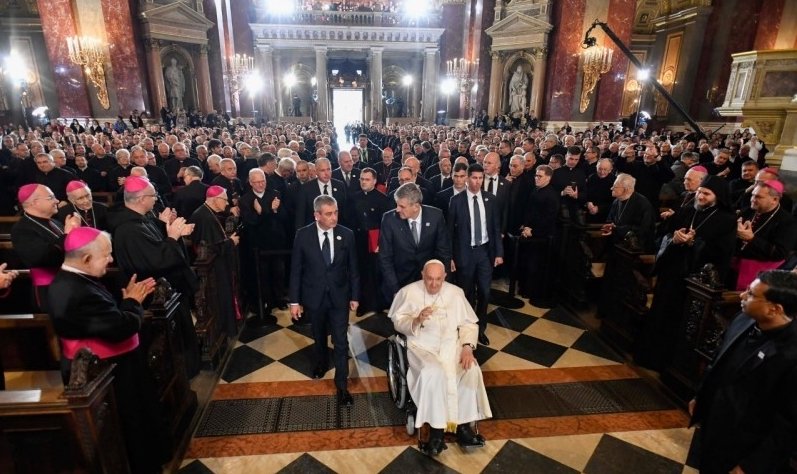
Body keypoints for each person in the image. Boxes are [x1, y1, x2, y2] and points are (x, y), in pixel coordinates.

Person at [48, 227, 170, 473]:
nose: (111, 259)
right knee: (130, 427)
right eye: (106, 255)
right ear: (86, 259)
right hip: (109, 374)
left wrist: (127, 303)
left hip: (110, 368)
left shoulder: (73, 280)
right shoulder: (76, 292)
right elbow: (122, 327)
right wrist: (132, 302)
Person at [689, 270, 797, 473]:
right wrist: (701, 396)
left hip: (743, 447)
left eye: (751, 295)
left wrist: (751, 466)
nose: (741, 296)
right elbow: (718, 361)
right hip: (715, 427)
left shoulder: (791, 355)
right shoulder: (743, 319)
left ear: (774, 309)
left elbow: (788, 425)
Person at [388, 260, 492, 456]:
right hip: (422, 348)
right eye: (429, 279)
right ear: (422, 275)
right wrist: (416, 319)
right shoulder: (408, 292)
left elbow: (470, 324)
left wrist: (468, 347)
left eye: (438, 279)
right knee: (433, 372)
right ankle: (436, 432)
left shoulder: (456, 293)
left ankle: (463, 427)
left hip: (451, 347)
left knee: (471, 369)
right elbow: (398, 322)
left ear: (445, 277)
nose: (434, 284)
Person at [635, 175, 737, 370]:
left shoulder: (726, 220)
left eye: (706, 194)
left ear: (718, 197)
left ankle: (669, 364)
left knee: (679, 321)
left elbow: (722, 253)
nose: (700, 196)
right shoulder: (687, 210)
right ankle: (648, 356)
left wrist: (693, 243)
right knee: (660, 314)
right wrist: (674, 239)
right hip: (672, 273)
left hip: (695, 281)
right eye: (699, 192)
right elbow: (663, 234)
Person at [110, 176, 200, 377]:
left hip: (169, 293)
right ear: (141, 198)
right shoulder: (128, 229)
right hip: (156, 297)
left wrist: (164, 226)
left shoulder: (141, 219)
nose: (156, 199)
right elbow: (156, 262)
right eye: (153, 196)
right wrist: (173, 237)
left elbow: (156, 244)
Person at [289, 195, 360, 406]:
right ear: (317, 215)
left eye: (336, 212)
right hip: (314, 296)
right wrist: (295, 301)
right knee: (319, 334)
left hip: (339, 297)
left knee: (341, 341)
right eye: (329, 214)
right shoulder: (303, 235)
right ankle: (320, 362)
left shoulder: (346, 235)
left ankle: (342, 387)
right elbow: (296, 271)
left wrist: (355, 296)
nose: (334, 217)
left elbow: (354, 269)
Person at [448, 164, 504, 346]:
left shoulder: (491, 199)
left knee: (485, 292)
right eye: (474, 178)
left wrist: (498, 252)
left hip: (484, 253)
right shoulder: (456, 201)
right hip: (464, 253)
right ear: (467, 178)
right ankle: (466, 330)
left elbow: (495, 228)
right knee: (466, 294)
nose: (478, 182)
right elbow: (450, 232)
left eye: (481, 178)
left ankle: (480, 329)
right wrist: (450, 257)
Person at [11, 184, 80, 311]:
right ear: (35, 203)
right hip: (49, 290)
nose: (57, 201)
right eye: (51, 197)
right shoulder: (22, 229)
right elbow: (42, 258)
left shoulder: (56, 222)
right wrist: (67, 235)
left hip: (73, 283)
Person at [379, 182, 451, 301]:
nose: (397, 209)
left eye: (402, 206)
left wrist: (441, 281)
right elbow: (385, 257)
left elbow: (444, 252)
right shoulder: (389, 219)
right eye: (397, 205)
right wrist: (395, 288)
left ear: (416, 206)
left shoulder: (436, 216)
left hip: (428, 281)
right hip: (400, 282)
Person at [189, 186, 241, 337]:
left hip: (216, 264)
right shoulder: (205, 217)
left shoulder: (207, 212)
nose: (227, 203)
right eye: (225, 200)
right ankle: (226, 328)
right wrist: (231, 242)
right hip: (214, 268)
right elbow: (211, 247)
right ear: (215, 199)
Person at [732, 180, 797, 291]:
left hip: (759, 272)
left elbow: (780, 253)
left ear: (774, 200)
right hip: (734, 265)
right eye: (752, 195)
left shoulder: (787, 222)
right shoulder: (747, 211)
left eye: (758, 197)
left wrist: (752, 239)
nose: (752, 199)